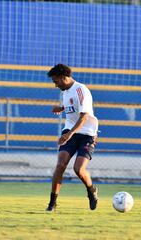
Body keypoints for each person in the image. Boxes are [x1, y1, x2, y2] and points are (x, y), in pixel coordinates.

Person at [46, 64, 99, 212]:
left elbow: (83, 117)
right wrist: (61, 108)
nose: (55, 85)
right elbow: (70, 104)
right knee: (60, 165)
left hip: (87, 134)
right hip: (70, 130)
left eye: (56, 82)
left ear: (64, 78)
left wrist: (68, 135)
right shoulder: (66, 91)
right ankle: (52, 203)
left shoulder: (81, 90)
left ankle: (91, 190)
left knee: (78, 169)